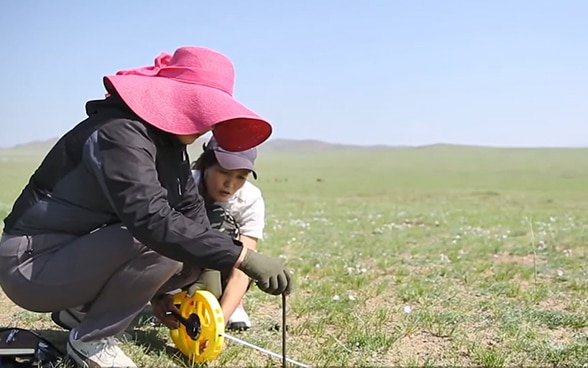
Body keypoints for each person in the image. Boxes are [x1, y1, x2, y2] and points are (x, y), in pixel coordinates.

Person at [0, 46, 292, 368]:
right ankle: (91, 340)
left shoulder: (167, 146)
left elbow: (193, 215)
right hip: (32, 264)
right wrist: (242, 256)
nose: (206, 124)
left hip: (72, 257)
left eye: (209, 114)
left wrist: (161, 293)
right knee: (162, 242)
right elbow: (151, 220)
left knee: (188, 257)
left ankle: (82, 310)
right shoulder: (119, 133)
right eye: (198, 108)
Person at [188, 136, 265, 331]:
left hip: (223, 263)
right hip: (182, 256)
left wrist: (217, 324)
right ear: (205, 165)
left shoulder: (250, 199)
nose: (230, 185)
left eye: (241, 177)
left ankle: (233, 303)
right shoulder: (184, 185)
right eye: (224, 172)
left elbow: (243, 265)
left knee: (241, 257)